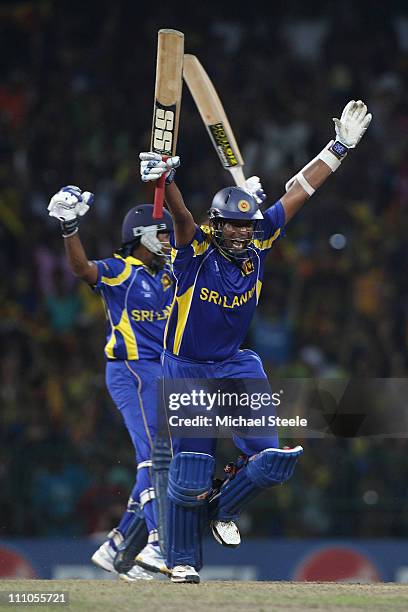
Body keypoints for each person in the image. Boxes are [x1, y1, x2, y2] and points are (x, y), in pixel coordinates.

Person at [139, 100, 372, 583]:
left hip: (234, 365)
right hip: (185, 368)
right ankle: (181, 562)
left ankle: (223, 508)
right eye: (234, 224)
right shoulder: (195, 250)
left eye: (247, 224)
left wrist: (340, 147)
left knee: (273, 461)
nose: (243, 232)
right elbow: (181, 217)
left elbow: (300, 191)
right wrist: (163, 182)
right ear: (218, 224)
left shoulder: (261, 237)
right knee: (190, 474)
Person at [47, 191, 175, 581]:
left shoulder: (170, 276)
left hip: (163, 373)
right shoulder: (121, 270)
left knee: (161, 458)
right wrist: (70, 228)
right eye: (164, 235)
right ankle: (158, 541)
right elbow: (82, 269)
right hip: (131, 371)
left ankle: (118, 546)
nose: (170, 242)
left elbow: (198, 248)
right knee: (155, 457)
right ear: (144, 236)